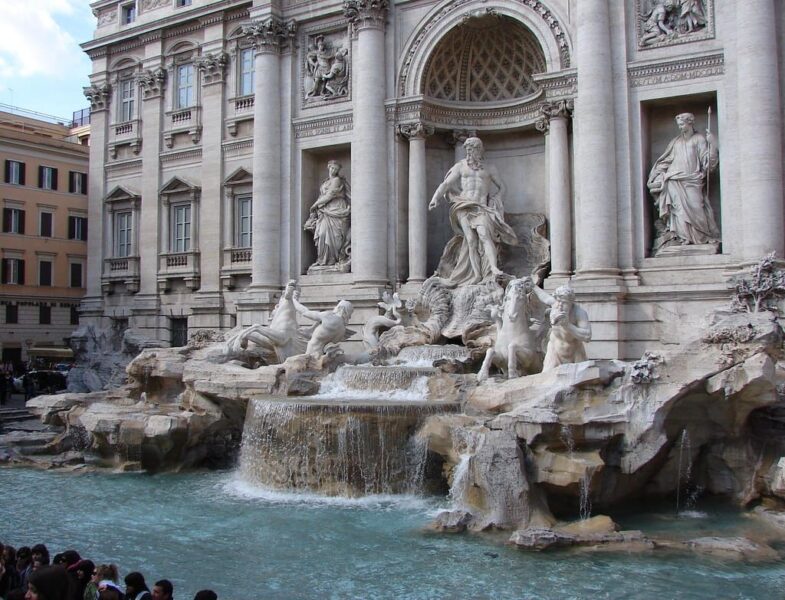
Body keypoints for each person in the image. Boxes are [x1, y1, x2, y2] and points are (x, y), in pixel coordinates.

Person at [429, 136, 517, 285]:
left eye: (473, 149)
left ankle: (493, 268)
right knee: (470, 240)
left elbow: (503, 187)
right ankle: (476, 275)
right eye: (468, 150)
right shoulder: (460, 166)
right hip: (464, 205)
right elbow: (446, 184)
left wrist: (497, 199)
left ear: (480, 150)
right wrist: (435, 198)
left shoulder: (489, 168)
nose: (470, 153)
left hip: (481, 207)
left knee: (484, 235)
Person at [647, 112, 719, 251]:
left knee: (697, 207)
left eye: (682, 124)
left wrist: (713, 146)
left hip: (693, 180)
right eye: (678, 125)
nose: (680, 128)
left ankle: (700, 238)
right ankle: (682, 238)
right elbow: (665, 161)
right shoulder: (675, 142)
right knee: (678, 211)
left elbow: (708, 163)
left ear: (690, 122)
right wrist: (656, 175)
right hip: (674, 180)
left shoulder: (699, 139)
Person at [529, 283, 592, 371]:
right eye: (558, 301)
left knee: (582, 381)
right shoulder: (555, 305)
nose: (560, 305)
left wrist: (567, 325)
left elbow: (587, 336)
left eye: (564, 303)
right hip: (554, 350)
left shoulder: (579, 313)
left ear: (571, 303)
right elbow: (544, 297)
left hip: (575, 352)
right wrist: (532, 285)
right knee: (546, 378)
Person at [304, 160, 351, 272]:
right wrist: (318, 207)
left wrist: (315, 205)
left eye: (336, 169)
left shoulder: (337, 180)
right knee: (322, 233)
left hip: (337, 209)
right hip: (325, 211)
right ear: (328, 168)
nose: (334, 170)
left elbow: (330, 195)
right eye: (332, 168)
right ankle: (323, 260)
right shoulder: (325, 182)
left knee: (336, 237)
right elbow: (323, 195)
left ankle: (334, 260)